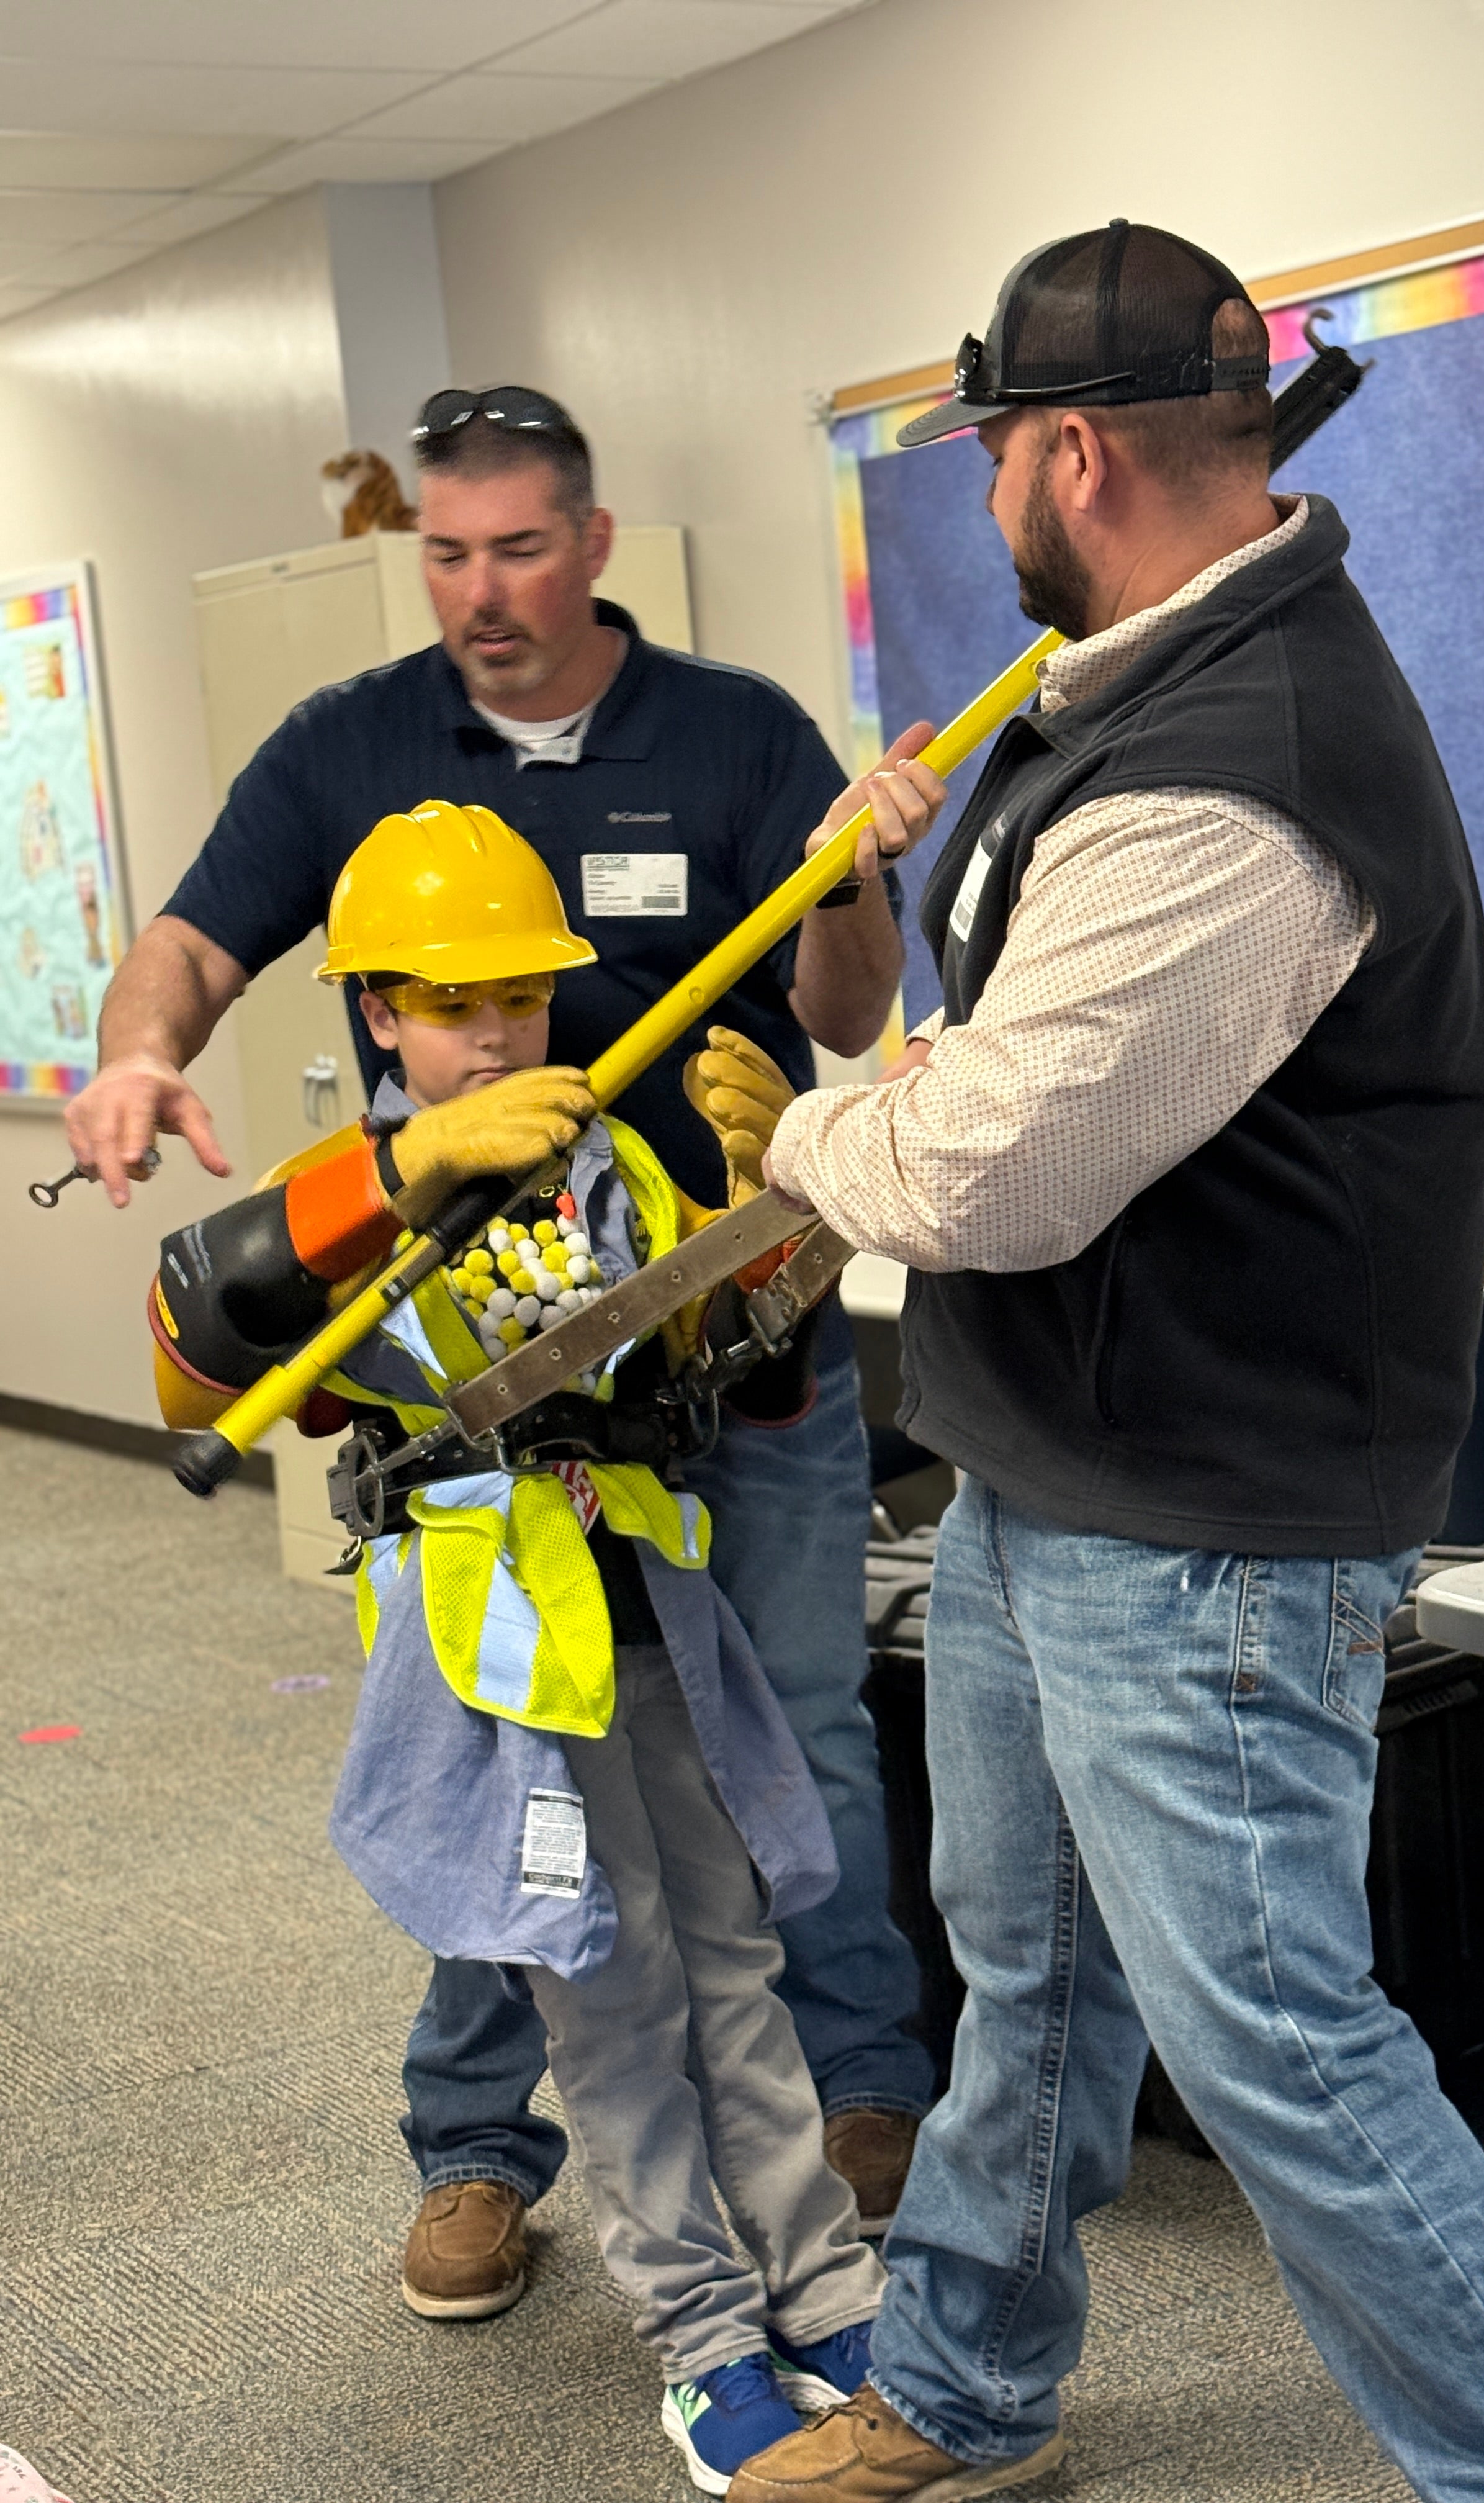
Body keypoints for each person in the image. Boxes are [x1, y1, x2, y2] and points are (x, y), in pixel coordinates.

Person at [731, 223, 1484, 2502]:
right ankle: (961, 2386)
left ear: (1071, 456)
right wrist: (916, 1076)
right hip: (1050, 1467)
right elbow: (1018, 1071)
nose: (978, 511)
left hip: (1211, 1533)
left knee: (1272, 2045)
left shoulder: (1235, 763)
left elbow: (995, 1170)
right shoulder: (1136, 695)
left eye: (987, 467)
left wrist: (819, 1127)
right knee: (1026, 1975)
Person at [67, 386, 942, 2314]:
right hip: (489, 1394)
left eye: (519, 547)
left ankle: (861, 2091)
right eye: (446, 553)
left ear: (596, 541)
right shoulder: (353, 746)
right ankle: (480, 2145)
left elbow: (852, 1006)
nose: (481, 590)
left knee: (794, 1735)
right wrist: (143, 1049)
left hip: (731, 1326)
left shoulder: (734, 737)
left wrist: (855, 894)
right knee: (511, 1760)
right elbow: (197, 943)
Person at [146, 799, 887, 2492]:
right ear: (381, 1014)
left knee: (735, 1965)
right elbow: (190, 1356)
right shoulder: (343, 1207)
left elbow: (728, 1378)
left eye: (523, 1001)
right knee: (611, 2005)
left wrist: (779, 1215)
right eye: (454, 1004)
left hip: (654, 1624)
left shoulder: (610, 1161)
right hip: (495, 1670)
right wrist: (399, 1182)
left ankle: (825, 2286)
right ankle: (705, 2344)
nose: (495, 1037)